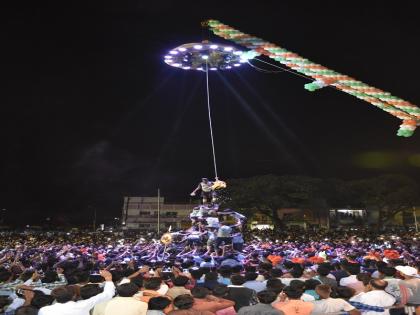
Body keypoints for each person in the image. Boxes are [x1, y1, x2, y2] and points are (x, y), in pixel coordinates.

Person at [39, 270, 115, 315]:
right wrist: (108, 278)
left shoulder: (44, 310)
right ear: (74, 296)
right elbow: (107, 294)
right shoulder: (82, 305)